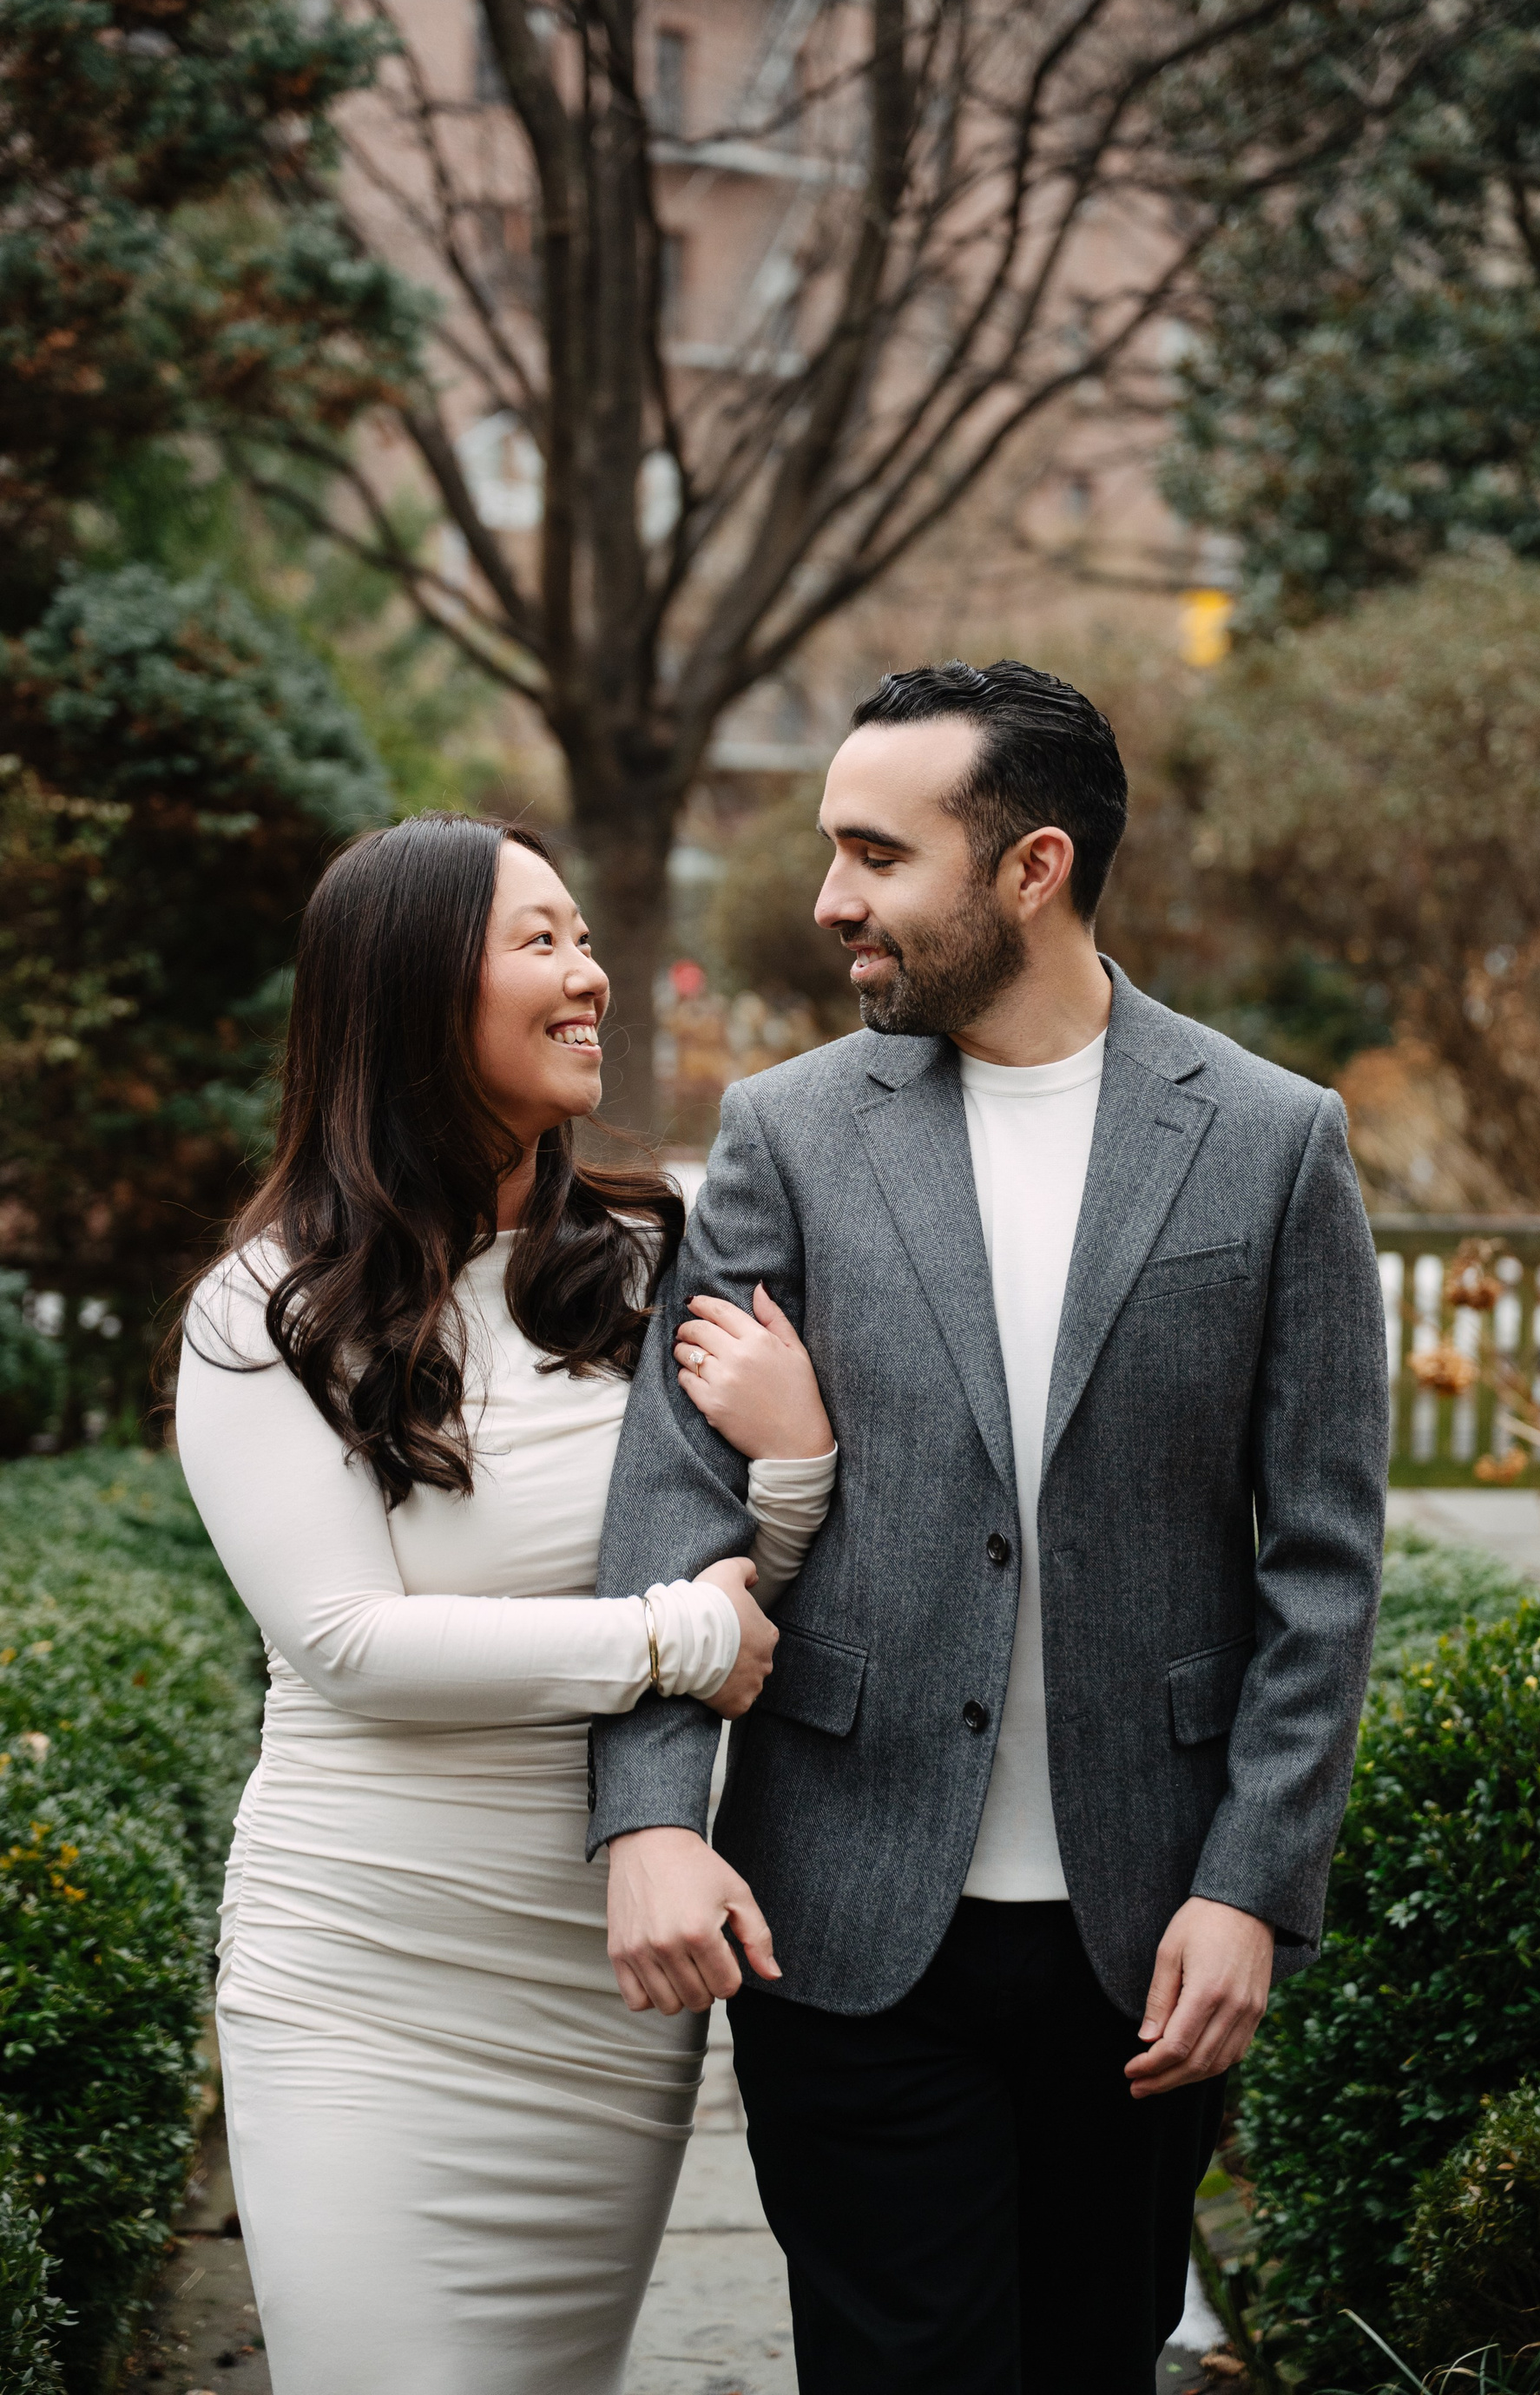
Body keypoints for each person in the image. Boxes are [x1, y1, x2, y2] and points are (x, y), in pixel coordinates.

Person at [589, 662, 1390, 2392]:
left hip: (1149, 1943)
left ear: (1032, 868)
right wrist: (647, 1813)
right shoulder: (787, 1134)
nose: (831, 900)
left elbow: (1324, 1565)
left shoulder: (1273, 1140)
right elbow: (674, 1491)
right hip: (841, 1923)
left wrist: (1252, 1887)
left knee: (1095, 2361)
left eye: (877, 855)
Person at [173, 813, 838, 2395]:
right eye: (539, 942)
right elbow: (349, 1645)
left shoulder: (652, 1257)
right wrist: (670, 1638)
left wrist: (796, 1463)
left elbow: (741, 1603)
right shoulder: (266, 1310)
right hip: (368, 1972)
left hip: (606, 1978)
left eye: (585, 938)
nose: (590, 974)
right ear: (410, 993)